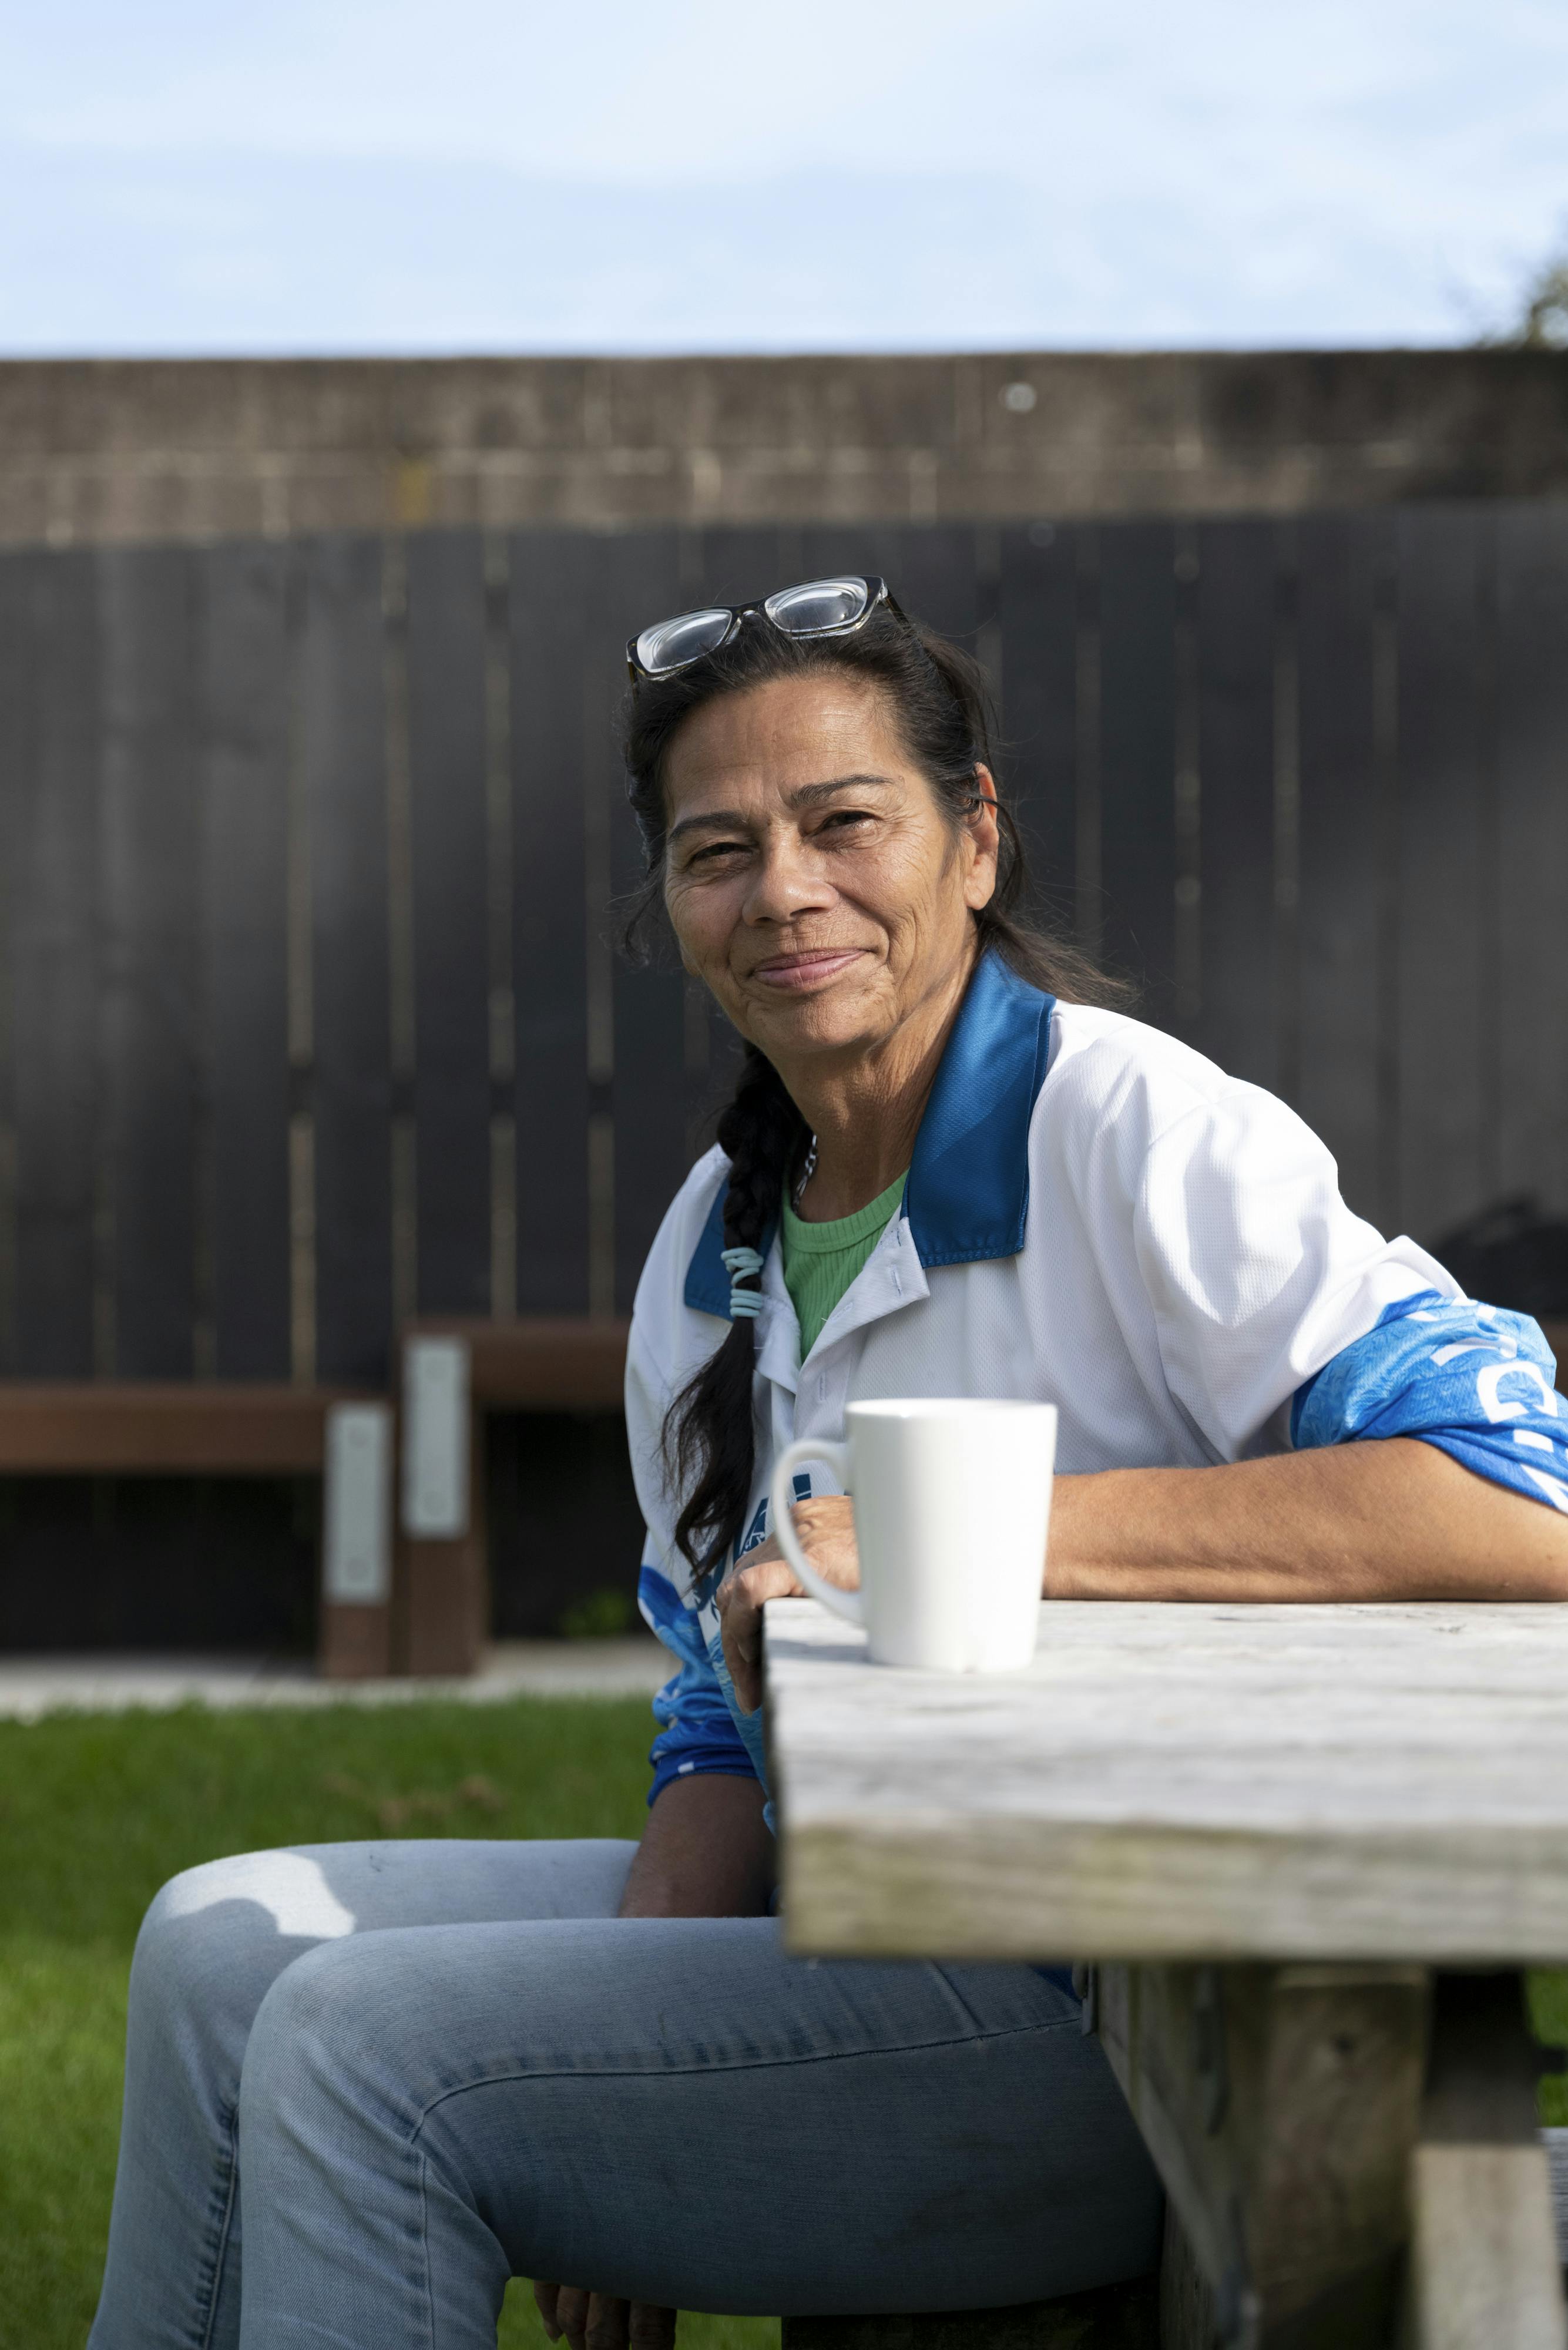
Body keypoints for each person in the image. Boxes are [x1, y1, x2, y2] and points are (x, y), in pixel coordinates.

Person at [89, 576, 1568, 2350]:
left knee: (362, 2052)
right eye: (719, 852)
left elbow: (1515, 1484)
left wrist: (967, 1535)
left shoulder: (1134, 1126)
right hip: (857, 1909)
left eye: (844, 822)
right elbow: (719, 1726)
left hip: (1143, 2015)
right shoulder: (712, 1243)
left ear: (977, 842)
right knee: (212, 1939)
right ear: (678, 913)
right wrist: (611, 2064)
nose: (784, 889)